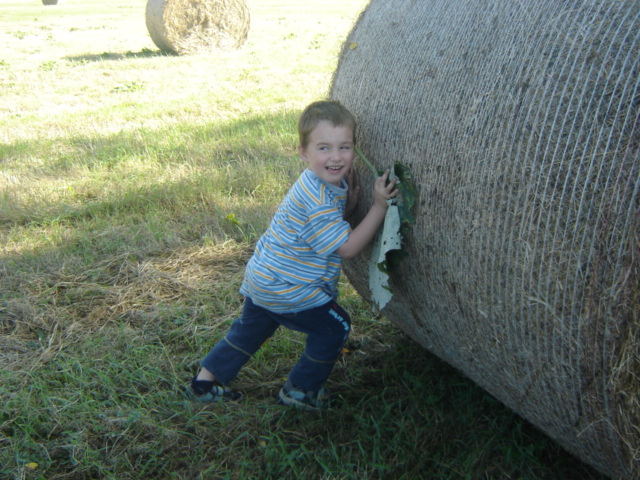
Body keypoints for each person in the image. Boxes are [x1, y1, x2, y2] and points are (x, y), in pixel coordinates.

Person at [188, 100, 397, 410]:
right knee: (335, 326)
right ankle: (300, 390)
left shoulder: (316, 182)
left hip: (264, 277)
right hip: (291, 288)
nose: (336, 157)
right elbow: (348, 248)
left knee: (250, 329)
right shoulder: (318, 199)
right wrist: (379, 206)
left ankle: (205, 381)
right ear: (303, 151)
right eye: (324, 148)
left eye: (345, 147)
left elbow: (333, 215)